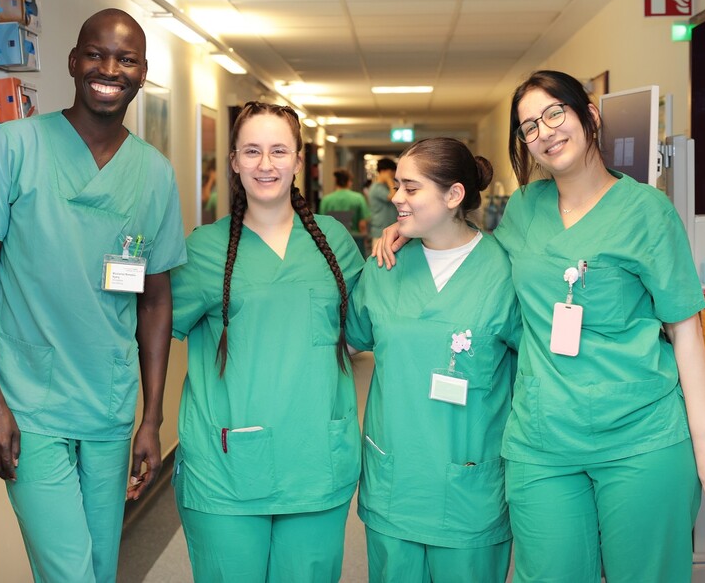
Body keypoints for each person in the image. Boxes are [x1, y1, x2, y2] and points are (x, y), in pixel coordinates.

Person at [377, 70, 705, 583]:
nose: (544, 132)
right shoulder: (524, 209)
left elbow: (685, 328)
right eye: (528, 127)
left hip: (641, 436)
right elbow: (474, 261)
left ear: (588, 114)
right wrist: (412, 225)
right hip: (542, 442)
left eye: (554, 114)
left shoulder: (647, 212)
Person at [0, 8, 187, 583]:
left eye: (126, 59)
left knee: (99, 568)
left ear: (142, 73)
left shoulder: (154, 174)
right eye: (97, 54)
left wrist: (151, 418)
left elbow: (155, 301)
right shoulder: (14, 146)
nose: (110, 69)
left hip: (107, 401)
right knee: (71, 572)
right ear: (73, 61)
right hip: (27, 401)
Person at [170, 101, 365, 582]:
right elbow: (146, 326)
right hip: (226, 465)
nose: (265, 163)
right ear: (233, 160)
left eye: (279, 150)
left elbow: (368, 327)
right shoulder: (203, 250)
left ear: (299, 160)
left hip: (317, 460)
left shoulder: (335, 242)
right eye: (251, 151)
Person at [347, 137, 520, 582]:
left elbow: (534, 372)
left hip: (469, 482)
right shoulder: (384, 265)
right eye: (397, 186)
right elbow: (353, 338)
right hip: (396, 477)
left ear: (454, 195)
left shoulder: (505, 272)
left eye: (410, 187)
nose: (395, 197)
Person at [319, 167, 371, 252]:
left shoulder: (326, 200)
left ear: (336, 182)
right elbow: (362, 224)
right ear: (349, 182)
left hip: (332, 241)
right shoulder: (358, 198)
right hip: (354, 240)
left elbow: (321, 223)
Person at [368, 157, 398, 251]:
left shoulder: (384, 187)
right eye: (392, 171)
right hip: (380, 231)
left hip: (389, 229)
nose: (394, 174)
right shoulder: (377, 187)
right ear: (384, 171)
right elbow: (393, 197)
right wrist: (389, 180)